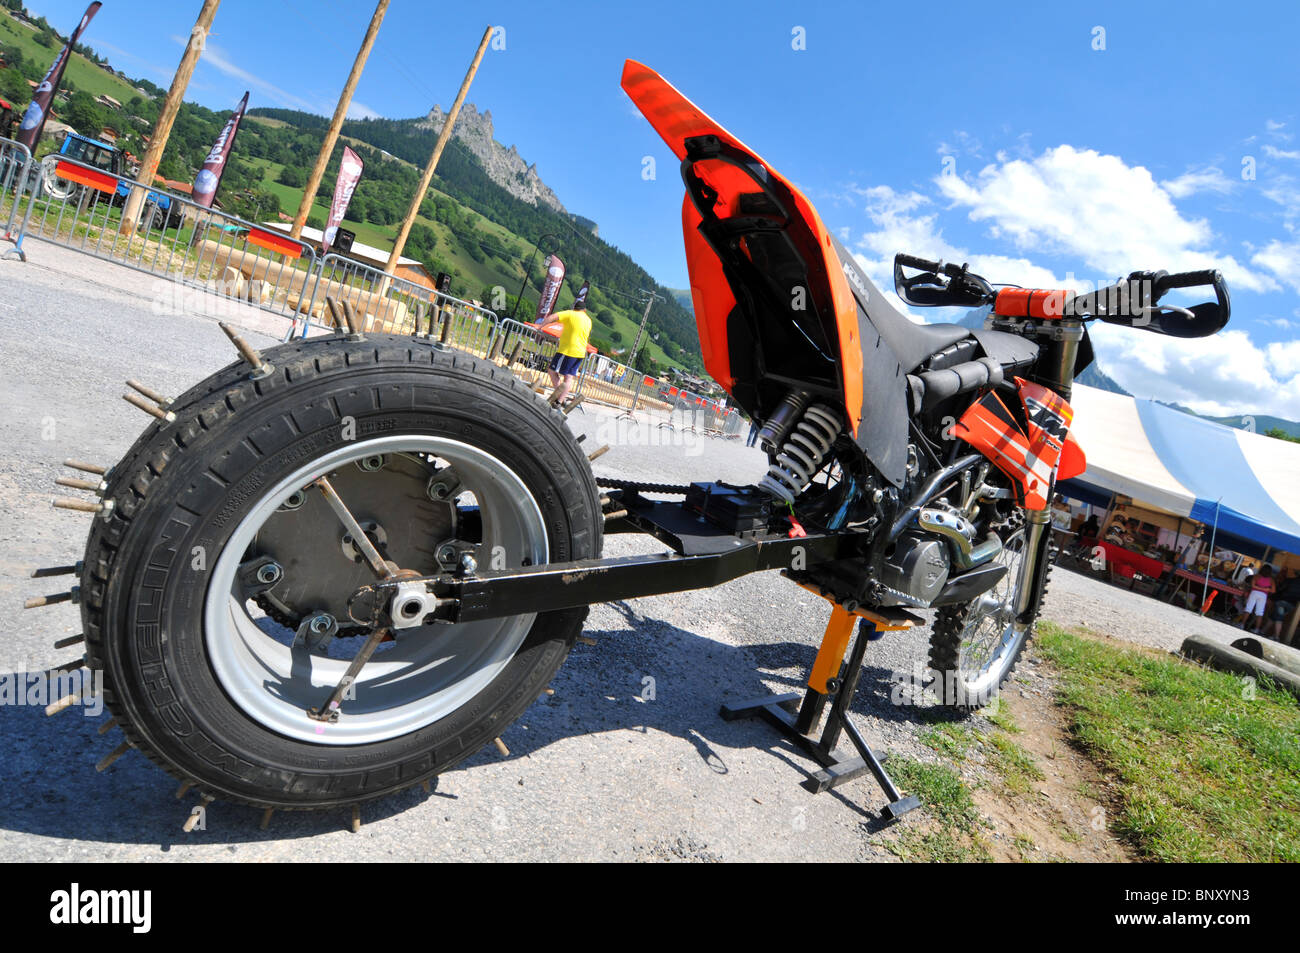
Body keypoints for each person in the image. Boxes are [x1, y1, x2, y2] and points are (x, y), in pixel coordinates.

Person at [538, 302, 592, 408]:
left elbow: (552, 317)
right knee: (569, 377)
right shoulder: (588, 320)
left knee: (552, 371)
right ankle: (560, 401)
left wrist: (540, 326)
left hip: (568, 350)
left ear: (574, 308)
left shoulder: (570, 314)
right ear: (584, 310)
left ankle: (559, 397)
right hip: (581, 352)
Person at [1266, 568, 1300, 642]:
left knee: (1279, 618)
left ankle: (1276, 637)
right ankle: (1263, 631)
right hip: (1292, 605)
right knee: (1274, 616)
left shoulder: (1289, 580)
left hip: (1282, 602)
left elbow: (1280, 589)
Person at [1242, 564, 1275, 633]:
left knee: (1248, 609)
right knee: (1260, 612)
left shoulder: (1257, 576)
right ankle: (1257, 629)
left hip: (1254, 592)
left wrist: (1259, 588)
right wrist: (1266, 589)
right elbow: (1273, 590)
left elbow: (1252, 585)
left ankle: (1242, 624)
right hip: (1263, 595)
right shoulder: (1271, 580)